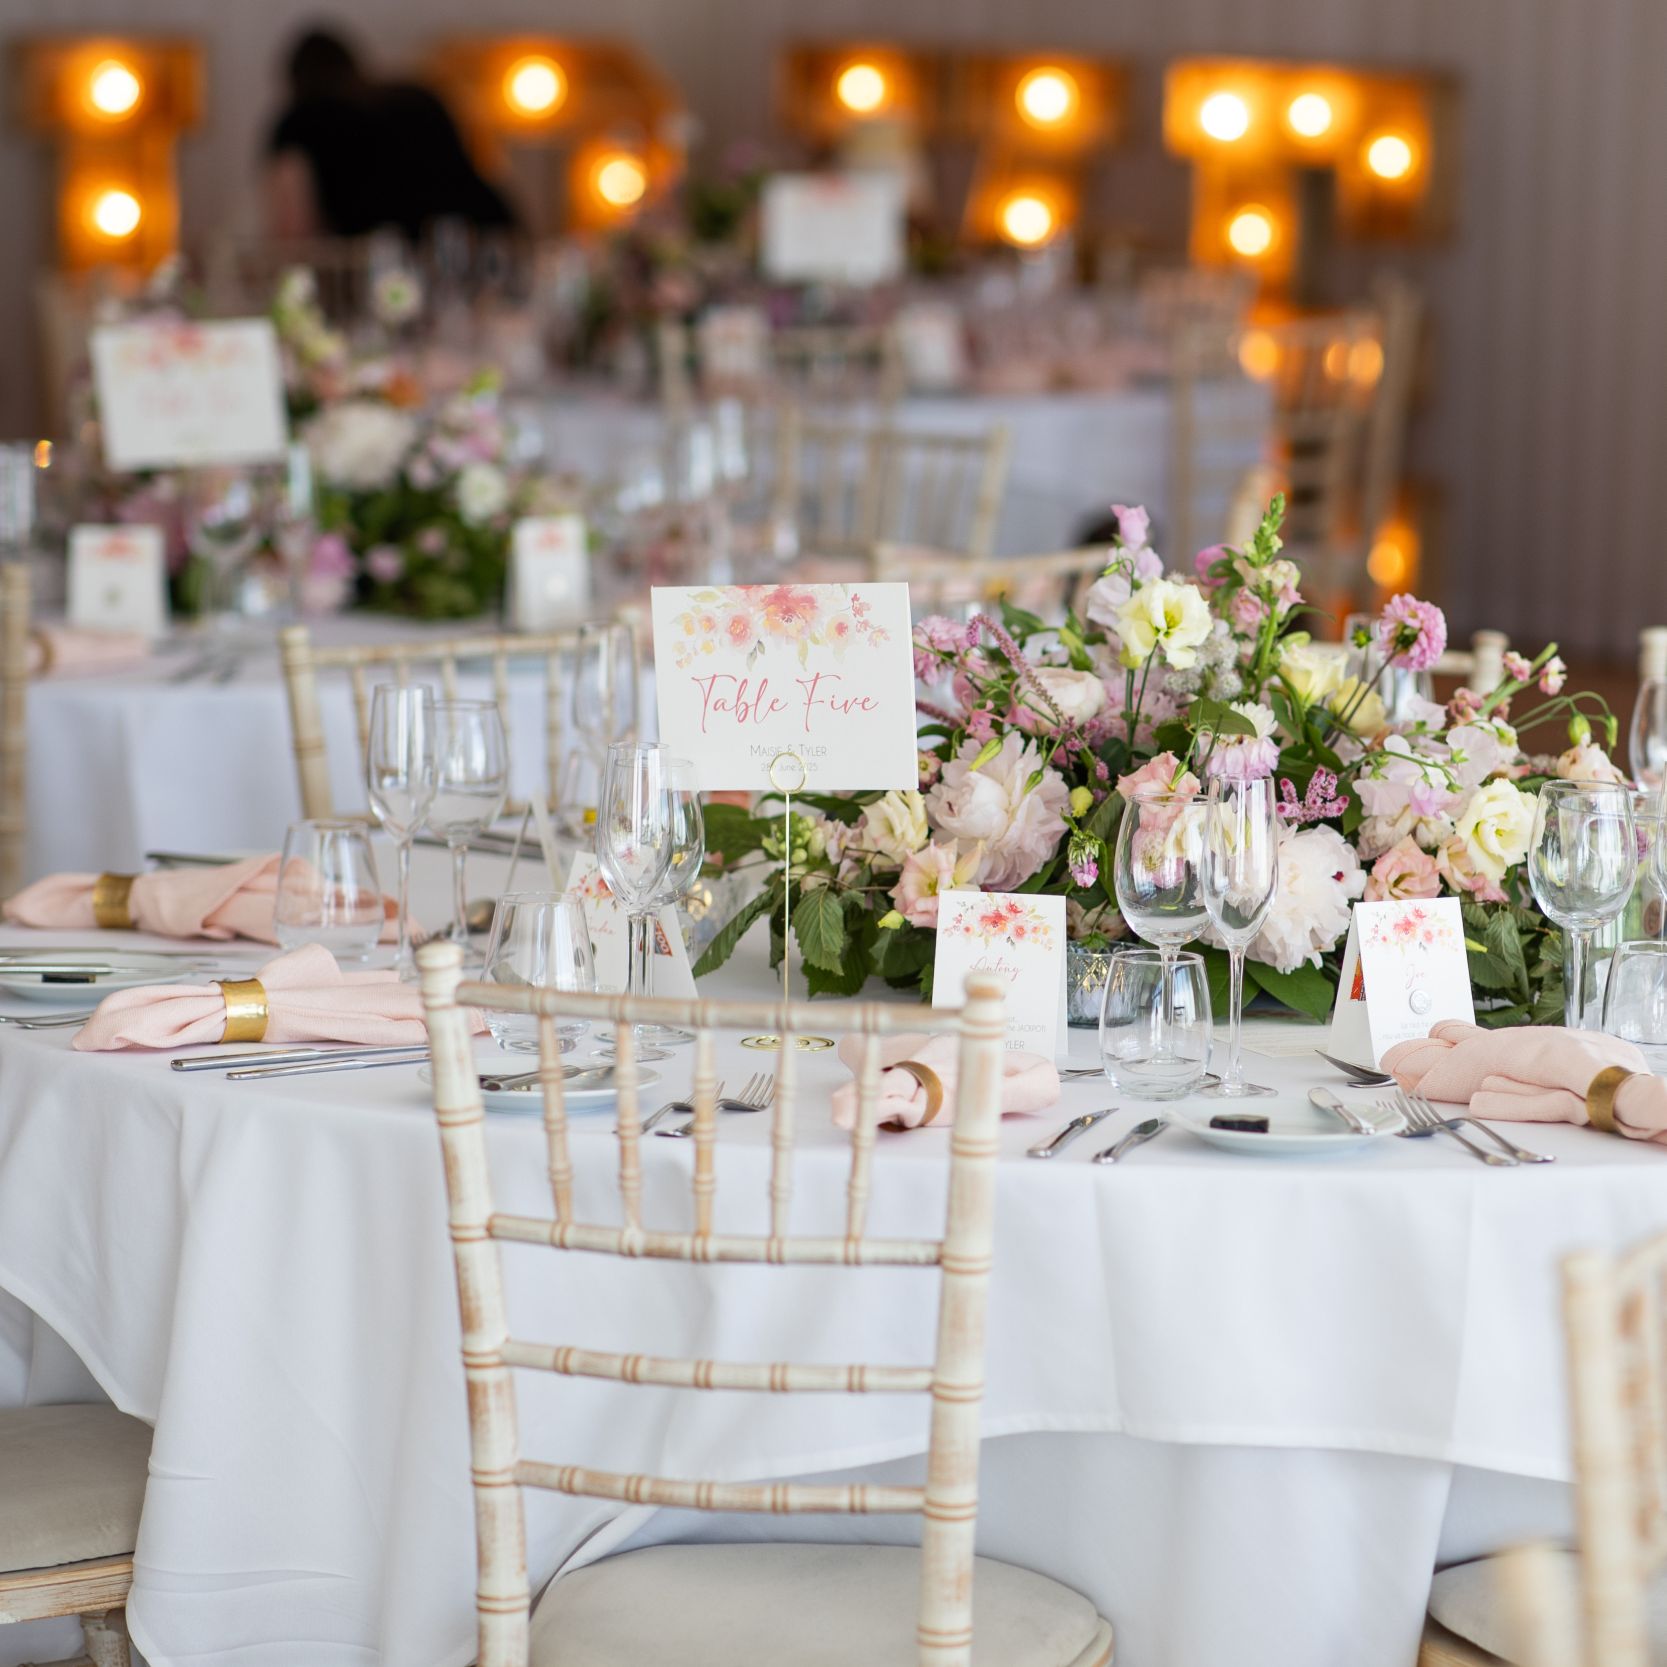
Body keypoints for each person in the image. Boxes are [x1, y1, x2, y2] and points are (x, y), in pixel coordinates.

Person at [265, 26, 518, 241]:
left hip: (390, 267)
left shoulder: (299, 123)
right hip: (485, 236)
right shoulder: (419, 97)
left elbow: (294, 231)